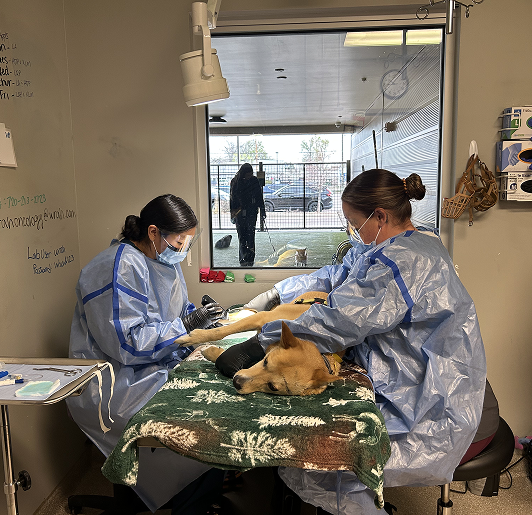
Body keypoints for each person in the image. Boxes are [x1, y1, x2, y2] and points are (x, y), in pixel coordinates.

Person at [216, 169, 489, 514]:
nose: (352, 231)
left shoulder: (403, 261)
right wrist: (274, 293)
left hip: (424, 401)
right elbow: (337, 276)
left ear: (380, 216)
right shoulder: (394, 243)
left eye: (354, 222)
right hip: (409, 377)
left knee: (323, 464)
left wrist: (262, 340)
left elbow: (341, 319)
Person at [67, 194, 225, 515]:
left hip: (149, 367)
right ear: (153, 233)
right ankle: (185, 498)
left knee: (216, 408)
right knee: (200, 427)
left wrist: (201, 318)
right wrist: (187, 326)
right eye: (180, 241)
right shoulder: (116, 267)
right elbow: (128, 344)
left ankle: (191, 496)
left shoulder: (162, 261)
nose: (183, 249)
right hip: (113, 384)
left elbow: (175, 311)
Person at [229, 163, 266, 266]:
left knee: (250, 236)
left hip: (251, 212)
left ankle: (250, 260)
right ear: (243, 173)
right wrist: (232, 214)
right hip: (239, 213)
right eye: (248, 174)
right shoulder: (235, 182)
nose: (249, 176)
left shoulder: (254, 181)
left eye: (250, 174)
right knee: (242, 237)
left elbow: (259, 196)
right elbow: (232, 199)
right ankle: (243, 261)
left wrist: (262, 210)